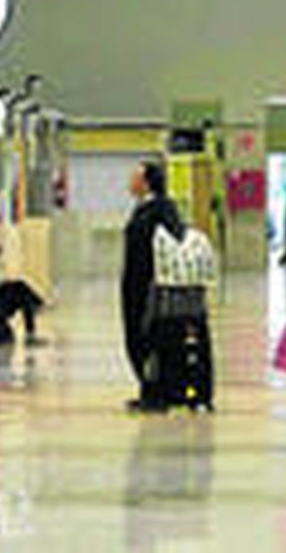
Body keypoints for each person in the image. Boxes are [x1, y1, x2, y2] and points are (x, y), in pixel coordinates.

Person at [121, 160, 184, 412]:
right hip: (134, 283)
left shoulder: (162, 208)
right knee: (135, 337)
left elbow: (174, 239)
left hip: (150, 285)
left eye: (134, 177)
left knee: (148, 337)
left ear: (146, 182)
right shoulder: (142, 208)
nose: (130, 181)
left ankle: (157, 392)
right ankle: (148, 388)